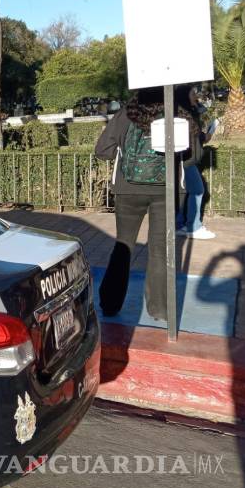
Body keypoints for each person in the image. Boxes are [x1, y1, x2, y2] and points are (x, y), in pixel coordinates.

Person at [94, 87, 199, 320]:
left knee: (124, 245)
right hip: (168, 191)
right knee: (160, 250)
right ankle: (160, 308)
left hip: (128, 190)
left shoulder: (126, 114)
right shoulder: (179, 116)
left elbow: (103, 150)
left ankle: (110, 303)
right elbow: (194, 157)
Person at [175, 84, 215, 240]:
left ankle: (183, 224)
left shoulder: (189, 113)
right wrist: (203, 137)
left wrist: (204, 137)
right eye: (192, 93)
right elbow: (188, 138)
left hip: (189, 160)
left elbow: (195, 135)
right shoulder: (182, 116)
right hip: (186, 160)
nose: (195, 96)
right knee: (197, 190)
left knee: (186, 193)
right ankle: (193, 226)